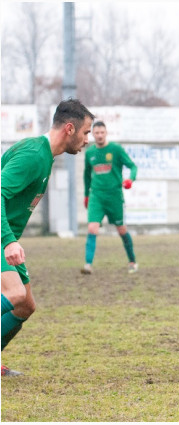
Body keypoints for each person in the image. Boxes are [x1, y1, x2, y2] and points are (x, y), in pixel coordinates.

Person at [1, 99, 95, 376]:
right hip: (2, 237)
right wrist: (9, 241)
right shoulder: (33, 154)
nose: (88, 139)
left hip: (5, 236)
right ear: (70, 128)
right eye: (86, 132)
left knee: (25, 305)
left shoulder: (44, 155)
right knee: (14, 293)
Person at [81, 121, 138, 275]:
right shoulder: (89, 153)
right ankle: (88, 264)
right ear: (92, 134)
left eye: (102, 133)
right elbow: (86, 176)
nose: (99, 135)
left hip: (114, 196)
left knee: (121, 230)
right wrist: (86, 194)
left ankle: (132, 261)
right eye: (96, 133)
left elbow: (132, 166)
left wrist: (130, 180)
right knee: (92, 228)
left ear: (106, 133)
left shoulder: (116, 150)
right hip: (96, 196)